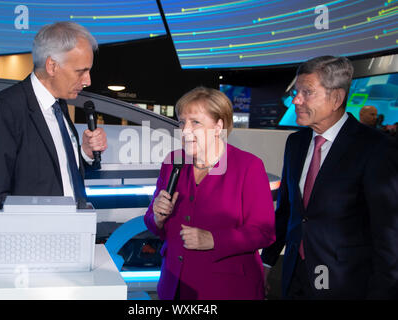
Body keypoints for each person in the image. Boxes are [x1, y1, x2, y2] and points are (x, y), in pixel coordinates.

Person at [261, 56, 398, 299]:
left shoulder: (376, 148)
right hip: (294, 276)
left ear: (336, 98)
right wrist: (267, 263)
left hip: (346, 284)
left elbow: (388, 234)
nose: (296, 100)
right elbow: (287, 212)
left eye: (307, 92)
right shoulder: (296, 144)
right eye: (296, 92)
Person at [144, 87, 276, 300]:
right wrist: (157, 217)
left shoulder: (248, 166)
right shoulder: (173, 161)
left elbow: (264, 232)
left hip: (227, 289)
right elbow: (152, 222)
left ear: (218, 126)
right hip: (174, 286)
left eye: (195, 122)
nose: (185, 130)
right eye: (181, 122)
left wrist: (213, 239)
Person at [0, 22, 107, 210]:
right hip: (30, 236)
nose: (88, 81)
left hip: (71, 231)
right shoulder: (8, 107)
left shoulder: (59, 106)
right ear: (52, 66)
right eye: (80, 72)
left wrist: (84, 154)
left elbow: (58, 175)